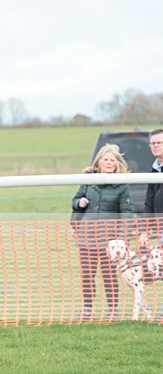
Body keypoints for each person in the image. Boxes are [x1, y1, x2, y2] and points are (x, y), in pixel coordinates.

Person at [71, 144, 134, 321]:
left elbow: (127, 213)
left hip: (109, 240)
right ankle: (87, 310)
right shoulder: (88, 180)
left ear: (117, 164)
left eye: (112, 160)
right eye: (105, 159)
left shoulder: (122, 186)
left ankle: (113, 310)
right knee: (87, 275)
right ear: (98, 161)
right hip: (86, 236)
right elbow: (75, 200)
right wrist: (79, 203)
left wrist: (122, 239)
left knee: (108, 275)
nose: (108, 162)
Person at [138, 129, 163, 248]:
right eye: (153, 143)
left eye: (159, 142)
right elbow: (149, 203)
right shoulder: (154, 170)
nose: (156, 145)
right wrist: (144, 231)